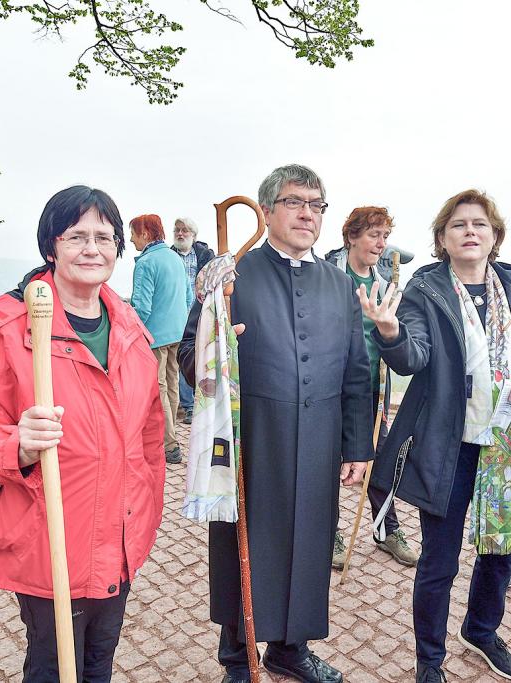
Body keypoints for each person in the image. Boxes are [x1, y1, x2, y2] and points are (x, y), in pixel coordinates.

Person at [0, 186, 165, 682]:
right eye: (77, 237)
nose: (93, 249)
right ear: (52, 247)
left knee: (97, 662)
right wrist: (16, 444)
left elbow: (150, 435)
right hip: (52, 541)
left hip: (121, 538)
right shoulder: (5, 329)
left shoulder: (130, 327)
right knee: (52, 667)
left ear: (117, 249)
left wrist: (148, 504)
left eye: (105, 238)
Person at [179, 164, 373, 683]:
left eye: (317, 204)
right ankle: (237, 658)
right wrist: (217, 348)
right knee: (243, 540)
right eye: (294, 202)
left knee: (310, 542)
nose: (307, 213)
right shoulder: (231, 274)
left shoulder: (338, 283)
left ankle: (291, 649)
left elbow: (358, 370)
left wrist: (357, 445)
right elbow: (188, 357)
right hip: (252, 436)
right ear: (266, 212)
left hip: (320, 437)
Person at [362, 189, 511, 682]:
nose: (470, 231)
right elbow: (414, 357)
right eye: (458, 225)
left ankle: (482, 630)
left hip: (507, 445)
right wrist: (389, 332)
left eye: (480, 224)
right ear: (442, 239)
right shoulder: (426, 290)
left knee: (499, 550)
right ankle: (430, 661)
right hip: (448, 446)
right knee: (440, 561)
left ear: (494, 237)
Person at [324, 207, 419, 569]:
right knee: (331, 459)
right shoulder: (329, 274)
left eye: (384, 236)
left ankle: (386, 529)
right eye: (373, 235)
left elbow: (397, 335)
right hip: (334, 387)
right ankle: (329, 531)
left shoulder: (386, 281)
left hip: (373, 387)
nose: (380, 244)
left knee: (380, 458)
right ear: (352, 237)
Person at [130, 214, 191, 464]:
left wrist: (131, 332)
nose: (131, 239)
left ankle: (169, 445)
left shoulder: (146, 263)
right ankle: (172, 437)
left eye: (133, 233)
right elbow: (188, 297)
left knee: (160, 390)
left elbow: (141, 307)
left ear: (145, 234)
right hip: (178, 332)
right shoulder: (175, 258)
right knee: (172, 385)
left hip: (155, 337)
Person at [172, 217, 215, 424]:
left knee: (201, 357)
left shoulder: (206, 256)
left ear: (194, 235)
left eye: (185, 231)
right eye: (177, 230)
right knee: (182, 359)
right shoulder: (170, 256)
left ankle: (199, 403)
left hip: (200, 314)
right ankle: (188, 407)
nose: (181, 234)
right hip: (177, 315)